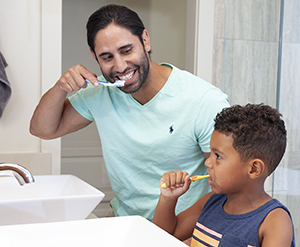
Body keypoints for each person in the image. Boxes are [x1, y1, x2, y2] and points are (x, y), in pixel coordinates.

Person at [30, 4, 229, 221]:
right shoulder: (99, 94)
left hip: (183, 231)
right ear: (94, 57)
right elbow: (42, 129)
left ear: (145, 40)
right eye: (107, 57)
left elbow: (226, 181)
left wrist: (184, 236)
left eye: (126, 51)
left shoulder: (203, 100)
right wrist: (61, 87)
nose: (120, 66)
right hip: (125, 223)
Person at [153, 103, 295, 247]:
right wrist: (168, 199)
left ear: (254, 169)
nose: (208, 162)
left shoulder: (274, 221)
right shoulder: (209, 203)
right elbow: (165, 239)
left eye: (218, 156)